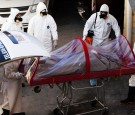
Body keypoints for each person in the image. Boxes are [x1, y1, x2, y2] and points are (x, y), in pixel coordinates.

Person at [83, 4, 120, 86]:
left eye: (105, 14)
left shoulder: (112, 19)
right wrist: (85, 36)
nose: (103, 15)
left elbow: (117, 29)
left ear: (108, 13)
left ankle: (104, 74)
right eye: (101, 13)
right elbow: (87, 25)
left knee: (105, 58)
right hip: (94, 40)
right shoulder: (94, 16)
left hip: (105, 41)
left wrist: (118, 40)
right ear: (100, 11)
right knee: (93, 59)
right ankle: (93, 78)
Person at [0, 8, 25, 115]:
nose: (19, 17)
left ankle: (15, 111)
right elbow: (8, 73)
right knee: (8, 98)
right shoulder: (7, 26)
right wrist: (20, 74)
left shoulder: (19, 24)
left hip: (12, 76)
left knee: (13, 96)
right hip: (8, 79)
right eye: (18, 15)